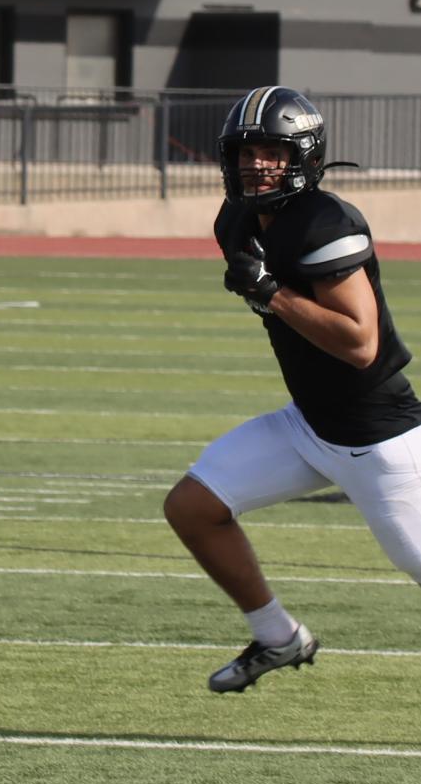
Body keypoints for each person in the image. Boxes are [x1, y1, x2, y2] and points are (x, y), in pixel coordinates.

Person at [164, 85, 421, 693]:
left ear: (304, 156)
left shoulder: (325, 222)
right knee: (193, 508)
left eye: (271, 152)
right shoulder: (236, 219)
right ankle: (279, 637)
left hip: (378, 439)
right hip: (309, 425)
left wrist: (272, 293)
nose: (256, 164)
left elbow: (360, 345)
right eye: (246, 151)